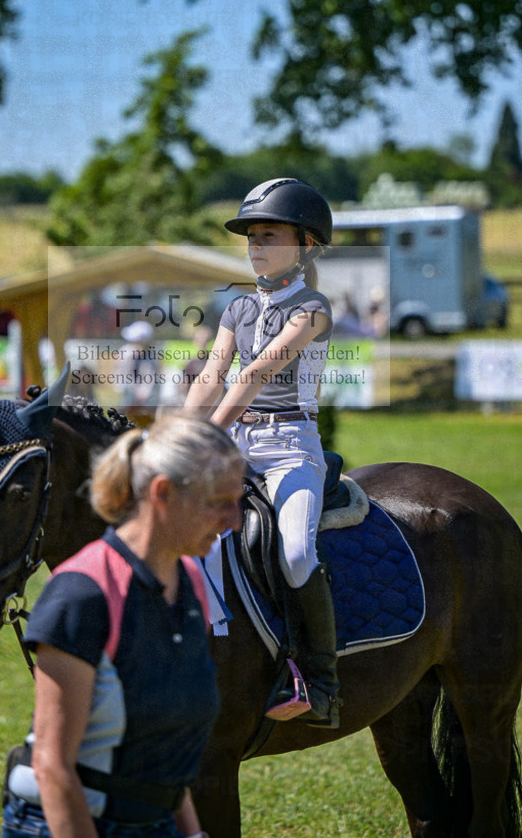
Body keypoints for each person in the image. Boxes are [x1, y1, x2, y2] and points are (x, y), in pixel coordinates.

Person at [1, 415, 244, 838]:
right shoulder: (80, 596)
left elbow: (166, 746)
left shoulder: (190, 585)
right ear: (163, 493)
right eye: (219, 502)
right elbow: (53, 768)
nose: (235, 519)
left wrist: (191, 833)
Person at [184, 178, 341, 727]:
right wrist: (181, 435)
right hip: (235, 447)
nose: (255, 246)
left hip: (290, 449)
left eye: (267, 235)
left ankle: (319, 681)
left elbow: (255, 373)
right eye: (251, 237)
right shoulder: (237, 308)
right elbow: (212, 376)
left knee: (296, 552)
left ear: (303, 244)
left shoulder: (314, 309)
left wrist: (210, 431)